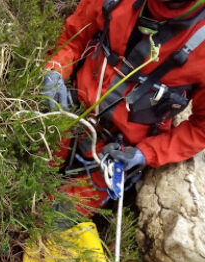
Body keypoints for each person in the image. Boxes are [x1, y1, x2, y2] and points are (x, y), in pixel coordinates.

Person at [43, 0, 205, 216]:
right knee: (15, 190)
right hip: (66, 115)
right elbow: (74, 36)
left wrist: (145, 153)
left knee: (51, 219)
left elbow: (201, 129)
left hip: (113, 159)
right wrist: (55, 69)